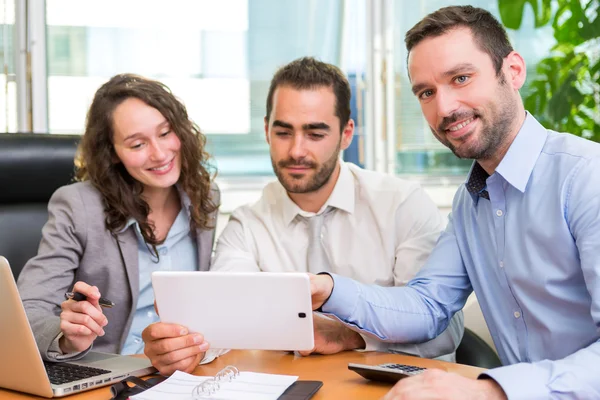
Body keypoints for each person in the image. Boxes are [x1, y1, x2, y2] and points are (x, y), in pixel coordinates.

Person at [310, 5, 600, 399]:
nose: (444, 108)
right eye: (426, 92)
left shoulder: (586, 177)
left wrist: (491, 392)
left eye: (461, 78)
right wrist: (326, 289)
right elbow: (428, 306)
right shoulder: (470, 202)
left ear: (513, 71)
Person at [142, 57, 464, 374]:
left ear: (346, 134)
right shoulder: (247, 225)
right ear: (267, 130)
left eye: (315, 134)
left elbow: (444, 329)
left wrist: (353, 336)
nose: (296, 150)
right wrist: (187, 347)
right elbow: (225, 324)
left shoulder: (403, 206)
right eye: (284, 132)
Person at [17, 74, 223, 373]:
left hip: (184, 372)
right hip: (111, 375)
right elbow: (26, 312)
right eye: (138, 144)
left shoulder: (204, 195)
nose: (160, 153)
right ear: (112, 153)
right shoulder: (78, 206)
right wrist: (68, 339)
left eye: (166, 133)